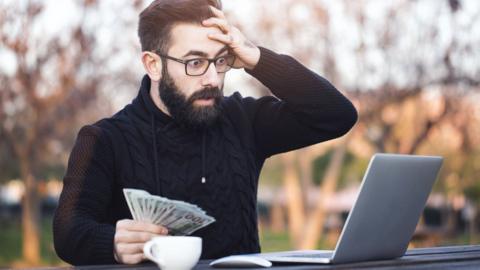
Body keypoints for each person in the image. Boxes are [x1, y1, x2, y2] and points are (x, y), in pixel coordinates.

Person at [53, 0, 358, 265]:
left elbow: (336, 115)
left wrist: (256, 57)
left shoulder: (245, 120)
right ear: (153, 65)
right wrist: (111, 243)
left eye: (221, 60)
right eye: (195, 62)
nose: (212, 78)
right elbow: (68, 232)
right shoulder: (104, 139)